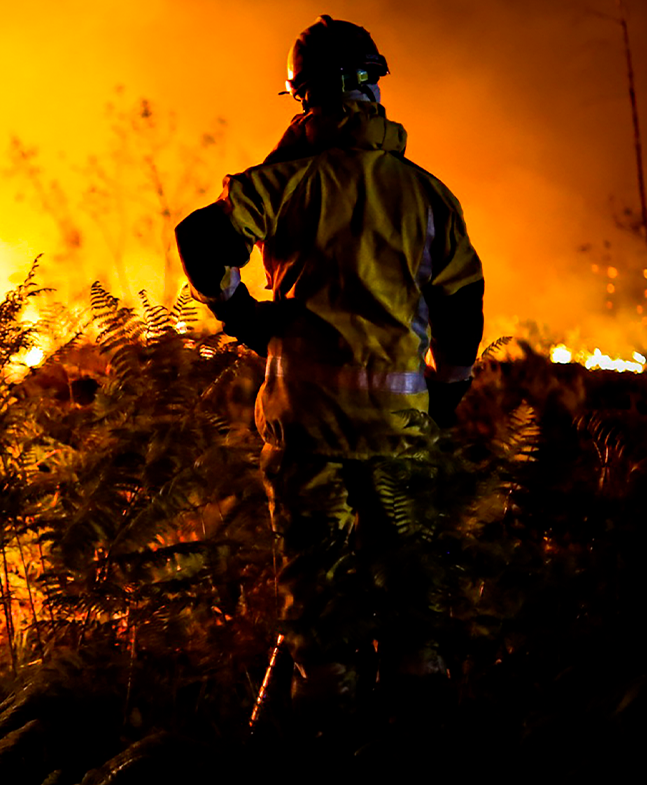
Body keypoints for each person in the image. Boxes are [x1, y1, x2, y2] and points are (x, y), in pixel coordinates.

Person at [174, 16, 485, 733]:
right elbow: (460, 302)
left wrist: (240, 312)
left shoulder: (284, 180)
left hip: (306, 426)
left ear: (303, 96)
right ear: (375, 86)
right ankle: (419, 738)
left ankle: (321, 742)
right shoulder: (426, 193)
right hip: (400, 431)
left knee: (318, 602)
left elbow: (200, 238)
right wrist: (452, 385)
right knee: (410, 590)